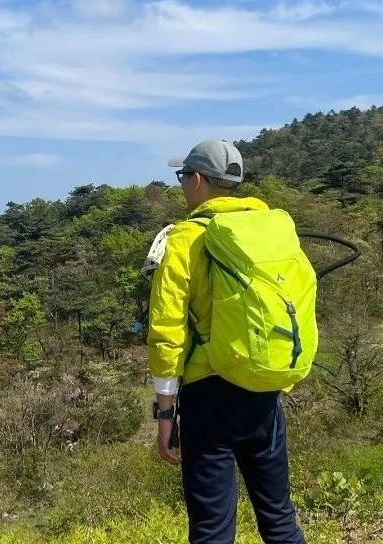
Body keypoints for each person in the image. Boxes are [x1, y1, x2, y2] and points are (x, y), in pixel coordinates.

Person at [147, 139, 307, 544]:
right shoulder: (271, 228)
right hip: (264, 387)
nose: (182, 184)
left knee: (212, 530)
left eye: (182, 176)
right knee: (279, 518)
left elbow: (167, 330)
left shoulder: (184, 239)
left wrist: (165, 414)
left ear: (198, 179)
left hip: (210, 396)